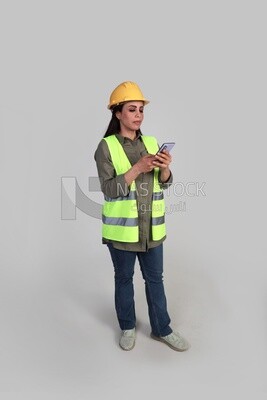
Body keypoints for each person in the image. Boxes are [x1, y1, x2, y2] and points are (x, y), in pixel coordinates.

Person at [94, 81, 190, 352]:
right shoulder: (106, 147)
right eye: (132, 109)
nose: (138, 115)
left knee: (155, 280)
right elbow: (109, 190)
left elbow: (164, 183)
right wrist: (137, 168)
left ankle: (162, 329)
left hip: (152, 230)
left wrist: (166, 169)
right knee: (123, 279)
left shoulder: (150, 142)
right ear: (117, 113)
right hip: (122, 232)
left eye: (141, 110)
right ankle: (127, 327)